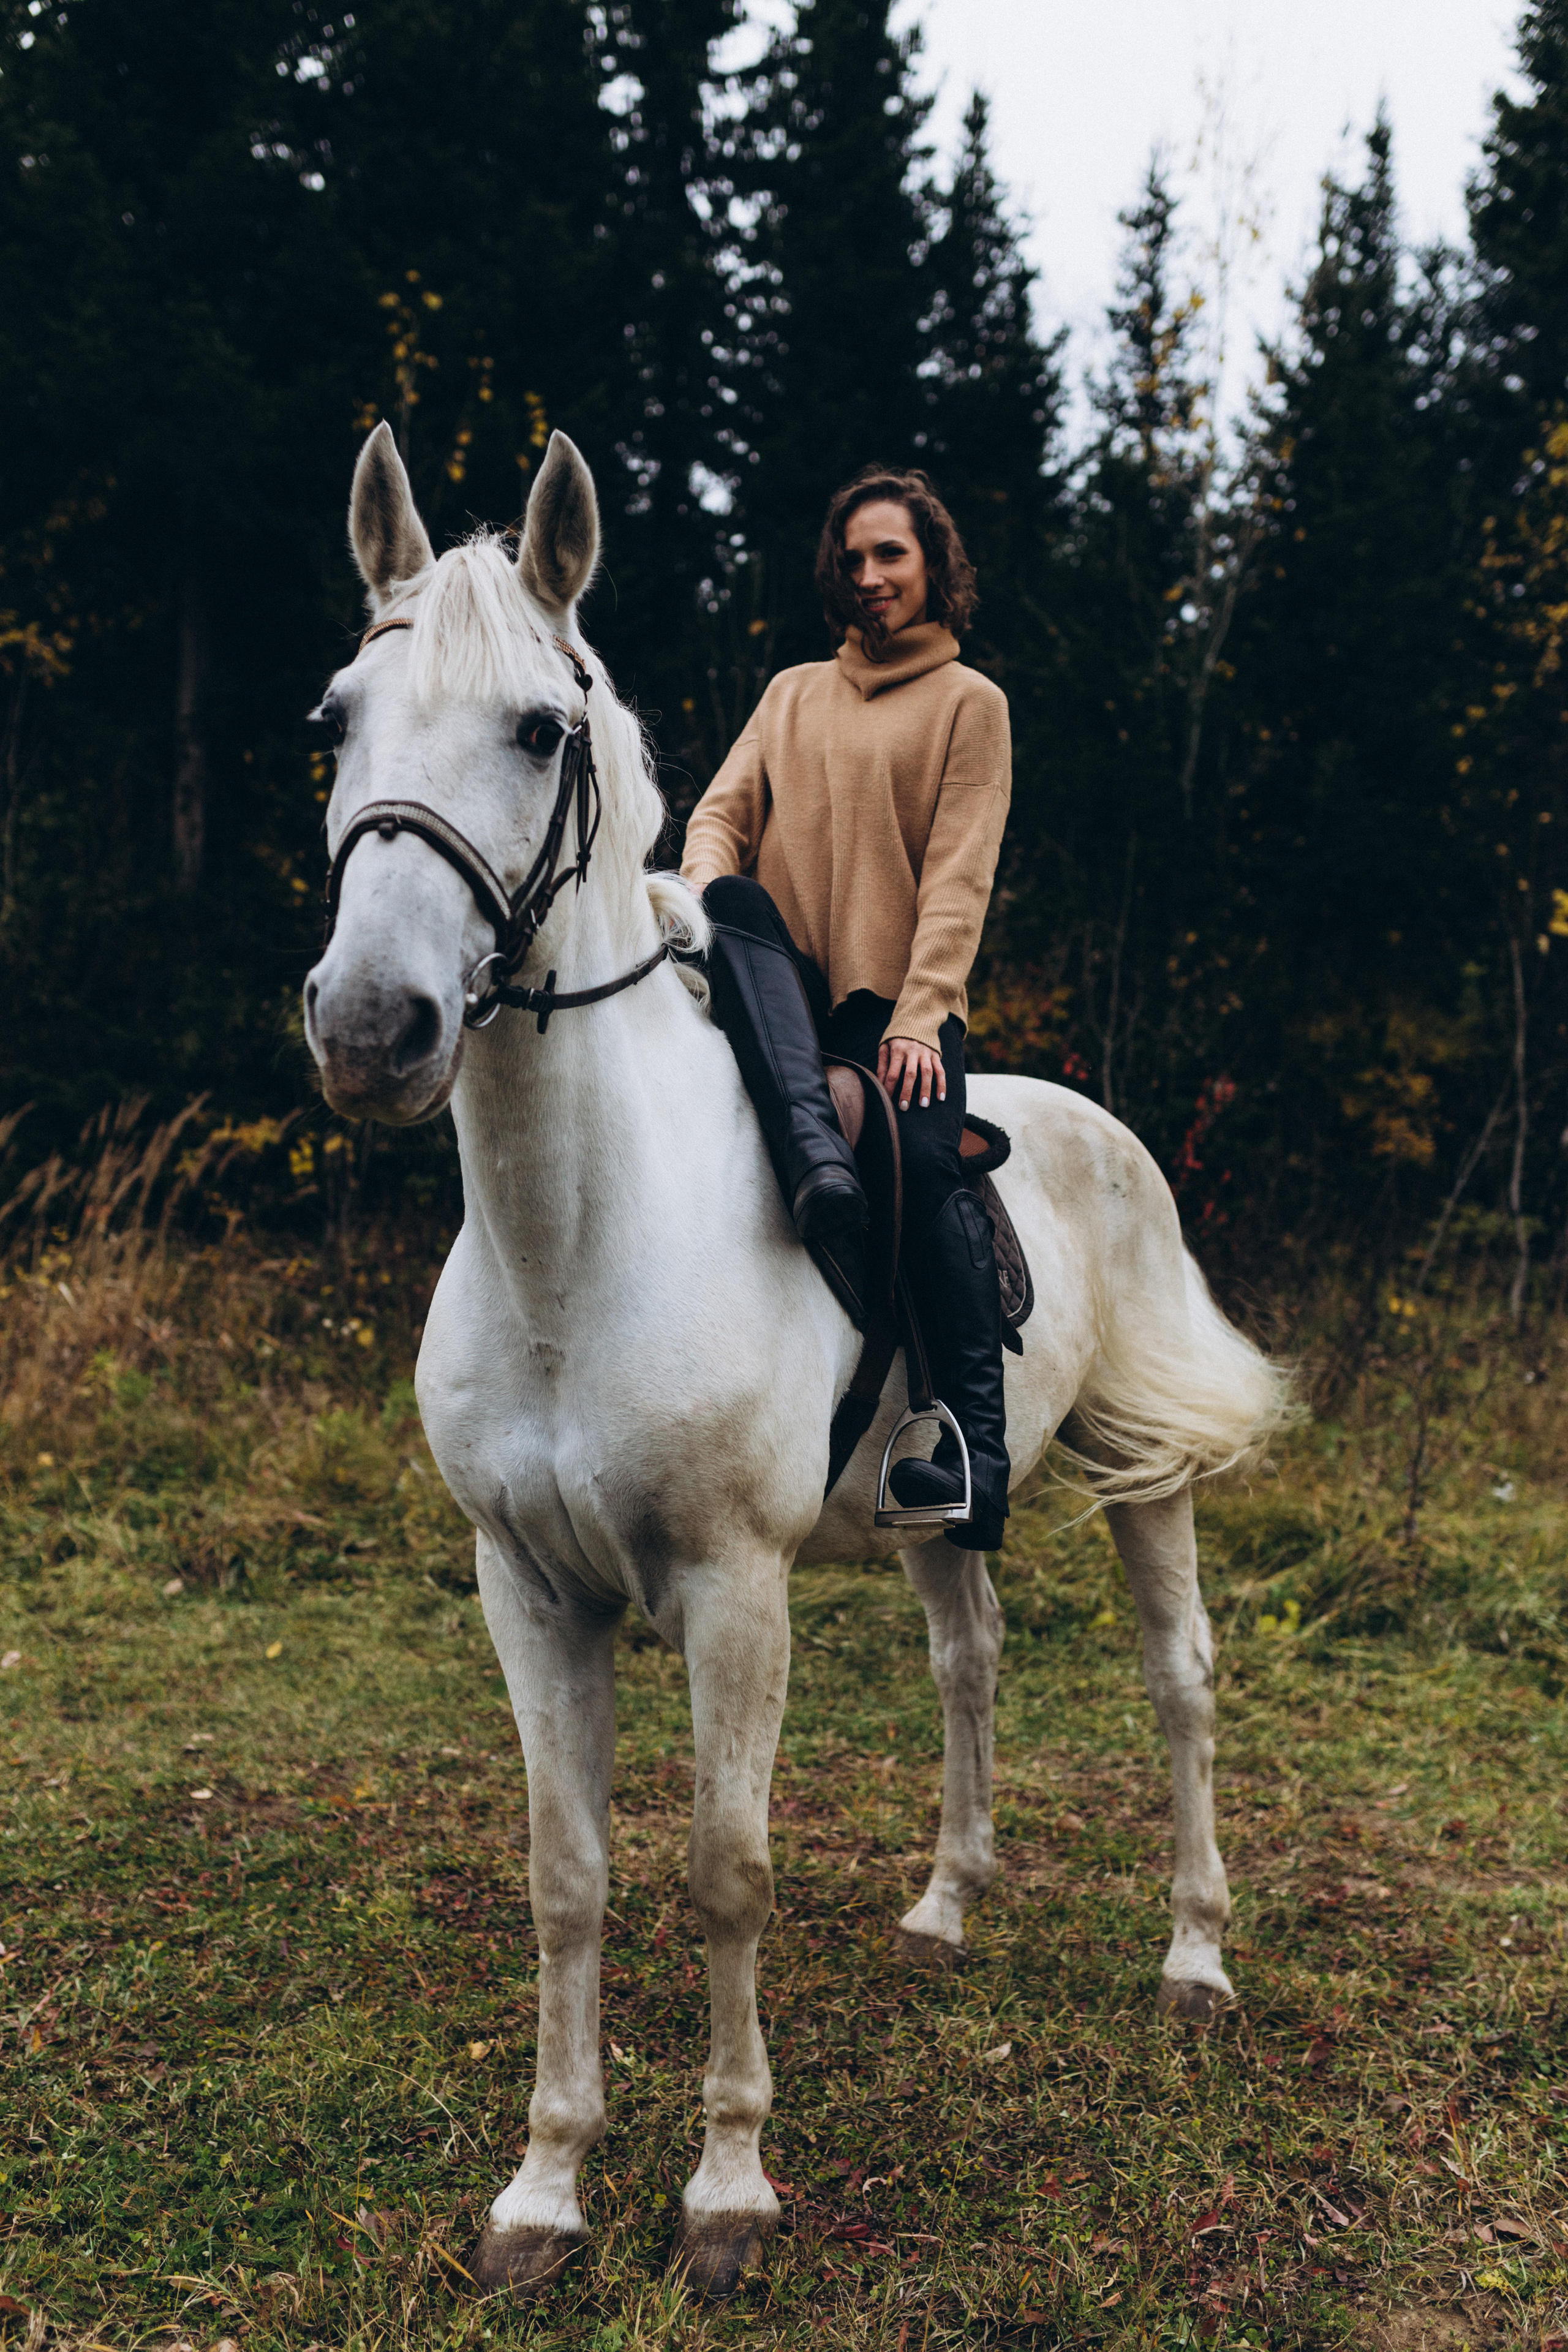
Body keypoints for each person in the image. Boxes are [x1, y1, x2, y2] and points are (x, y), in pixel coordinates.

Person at [681, 466, 1012, 1551]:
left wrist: (923, 1015)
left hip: (892, 1015)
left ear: (934, 568)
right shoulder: (789, 694)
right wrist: (696, 902)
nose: (870, 577)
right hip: (779, 1007)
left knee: (919, 1165)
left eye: (893, 556)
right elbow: (720, 820)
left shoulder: (971, 706)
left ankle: (969, 1444)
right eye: (856, 558)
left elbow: (960, 877)